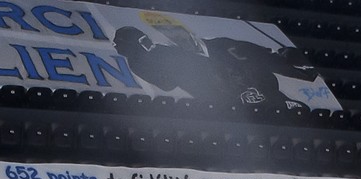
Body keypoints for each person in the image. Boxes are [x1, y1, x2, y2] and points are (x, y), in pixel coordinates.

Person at [112, 11, 324, 110]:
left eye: (178, 31)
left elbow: (267, 57)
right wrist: (134, 47)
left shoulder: (222, 45)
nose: (177, 37)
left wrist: (303, 71)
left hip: (272, 99)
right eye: (170, 35)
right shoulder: (171, 60)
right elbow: (163, 81)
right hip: (233, 112)